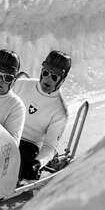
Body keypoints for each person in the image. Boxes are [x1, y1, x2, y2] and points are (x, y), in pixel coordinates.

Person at [14, 50, 71, 180]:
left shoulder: (60, 111)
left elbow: (49, 146)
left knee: (15, 165)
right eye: (45, 73)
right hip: (8, 135)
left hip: (29, 146)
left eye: (54, 77)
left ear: (62, 79)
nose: (48, 79)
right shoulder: (21, 85)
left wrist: (37, 163)